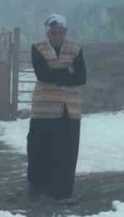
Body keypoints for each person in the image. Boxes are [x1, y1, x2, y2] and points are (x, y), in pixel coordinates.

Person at [27, 13, 87, 204]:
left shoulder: (76, 49)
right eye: (53, 32)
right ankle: (38, 188)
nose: (57, 35)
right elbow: (42, 74)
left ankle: (62, 192)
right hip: (44, 110)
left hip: (69, 110)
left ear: (65, 32)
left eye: (60, 32)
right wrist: (66, 72)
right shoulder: (38, 48)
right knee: (40, 150)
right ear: (48, 33)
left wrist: (56, 72)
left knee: (66, 152)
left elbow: (81, 78)